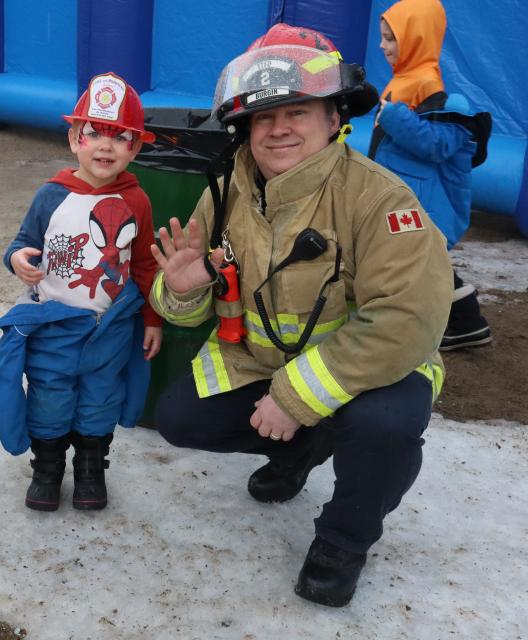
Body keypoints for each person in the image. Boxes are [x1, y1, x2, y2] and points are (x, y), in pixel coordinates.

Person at [150, 24, 453, 607]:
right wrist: (183, 290)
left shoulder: (381, 199)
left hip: (373, 374)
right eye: (263, 116)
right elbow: (190, 314)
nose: (279, 127)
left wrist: (294, 398)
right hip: (262, 362)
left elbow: (407, 321)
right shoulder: (223, 192)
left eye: (298, 110)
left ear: (333, 115)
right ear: (244, 127)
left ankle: (344, 539)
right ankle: (301, 450)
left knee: (381, 427)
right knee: (182, 418)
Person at [0, 72, 163, 512]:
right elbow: (20, 243)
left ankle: (89, 467)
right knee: (49, 395)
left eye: (120, 137)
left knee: (101, 398)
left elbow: (143, 263)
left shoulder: (138, 200)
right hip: (55, 324)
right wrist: (18, 260)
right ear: (73, 139)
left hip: (112, 328)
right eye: (94, 133)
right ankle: (47, 468)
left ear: (135, 148)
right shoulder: (51, 195)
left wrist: (154, 318)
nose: (106, 145)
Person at [370, 0, 492, 350]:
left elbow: (438, 145)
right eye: (382, 38)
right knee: (418, 265)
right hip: (406, 197)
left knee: (424, 266)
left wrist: (392, 116)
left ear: (416, 38)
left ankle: (466, 322)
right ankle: (458, 324)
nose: (383, 46)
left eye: (391, 39)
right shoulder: (405, 81)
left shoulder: (431, 89)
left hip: (427, 202)